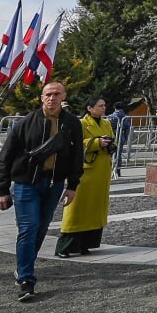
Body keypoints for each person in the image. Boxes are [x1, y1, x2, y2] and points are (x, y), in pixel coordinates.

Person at [0, 81, 84, 302]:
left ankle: (23, 265)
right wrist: (2, 189)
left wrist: (73, 185)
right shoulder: (26, 123)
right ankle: (26, 279)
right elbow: (6, 156)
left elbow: (77, 155)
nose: (52, 98)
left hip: (54, 184)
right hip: (26, 183)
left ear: (64, 96)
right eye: (48, 94)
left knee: (41, 227)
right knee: (29, 227)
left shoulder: (71, 123)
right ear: (41, 98)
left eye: (56, 94)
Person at [56, 97, 115, 257]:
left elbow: (112, 138)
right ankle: (65, 246)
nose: (104, 108)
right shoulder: (80, 123)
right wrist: (96, 143)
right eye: (100, 105)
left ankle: (85, 244)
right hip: (86, 172)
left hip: (101, 172)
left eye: (104, 105)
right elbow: (74, 144)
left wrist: (111, 144)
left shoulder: (106, 124)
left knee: (94, 209)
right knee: (76, 209)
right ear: (90, 108)